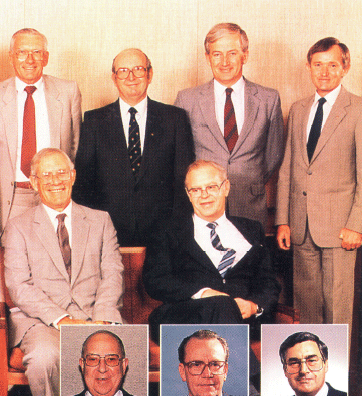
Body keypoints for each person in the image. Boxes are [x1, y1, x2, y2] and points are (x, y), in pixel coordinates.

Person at [3, 148, 124, 396]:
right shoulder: (18, 227)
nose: (55, 180)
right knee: (45, 356)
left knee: (107, 353)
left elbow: (113, 273)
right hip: (42, 321)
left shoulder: (100, 220)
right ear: (33, 182)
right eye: (46, 174)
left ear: (72, 176)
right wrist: (63, 319)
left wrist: (103, 318)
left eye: (61, 172)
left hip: (95, 313)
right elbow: (19, 286)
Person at [276, 37, 362, 331]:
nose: (324, 72)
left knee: (338, 306)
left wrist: (357, 224)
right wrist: (283, 221)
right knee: (306, 305)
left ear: (345, 68)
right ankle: (310, 370)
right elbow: (288, 168)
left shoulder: (358, 109)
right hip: (301, 226)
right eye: (317, 65)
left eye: (332, 65)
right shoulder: (299, 109)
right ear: (309, 67)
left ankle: (337, 375)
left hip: (340, 228)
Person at [143, 160, 279, 340]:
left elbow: (269, 283)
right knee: (222, 306)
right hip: (187, 317)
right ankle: (247, 369)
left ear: (226, 187)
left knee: (227, 313)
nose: (204, 195)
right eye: (196, 190)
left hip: (244, 319)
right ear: (188, 194)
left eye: (211, 187)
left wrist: (253, 306)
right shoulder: (168, 231)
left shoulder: (252, 229)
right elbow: (156, 280)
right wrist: (204, 293)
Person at [73, 48, 194, 246]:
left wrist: (178, 230)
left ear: (150, 74)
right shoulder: (94, 121)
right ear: (114, 77)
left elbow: (184, 180)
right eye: (123, 71)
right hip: (108, 233)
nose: (131, 77)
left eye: (138, 69)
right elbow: (84, 185)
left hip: (164, 235)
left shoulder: (174, 118)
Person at [174, 23, 284, 226]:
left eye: (232, 53)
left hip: (250, 203)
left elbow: (274, 154)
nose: (224, 61)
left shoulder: (269, 99)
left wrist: (248, 179)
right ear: (208, 58)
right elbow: (181, 157)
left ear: (245, 55)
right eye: (217, 54)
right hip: (203, 205)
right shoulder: (186, 100)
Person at [0, 28, 82, 236]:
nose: (30, 59)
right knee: (13, 263)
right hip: (11, 199)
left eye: (36, 52)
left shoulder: (68, 92)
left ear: (45, 58)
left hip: (55, 193)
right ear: (11, 57)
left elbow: (75, 147)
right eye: (22, 52)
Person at [60, 330, 147, 396]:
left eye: (111, 359)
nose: (102, 368)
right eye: (93, 359)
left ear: (123, 366)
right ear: (82, 365)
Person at [162, 330, 247, 396]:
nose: (207, 374)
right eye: (197, 364)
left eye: (215, 364)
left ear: (225, 371)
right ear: (183, 371)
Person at [262, 332, 347, 396]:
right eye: (294, 363)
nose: (303, 370)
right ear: (285, 370)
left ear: (326, 365)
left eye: (311, 360)